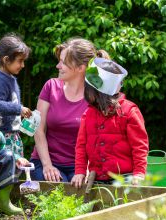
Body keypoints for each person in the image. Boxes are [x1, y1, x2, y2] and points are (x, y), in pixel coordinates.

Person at [30, 38, 110, 182]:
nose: (58, 66)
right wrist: (47, 166)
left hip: (79, 167)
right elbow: (38, 129)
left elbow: (97, 139)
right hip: (46, 162)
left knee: (77, 197)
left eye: (63, 62)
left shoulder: (95, 98)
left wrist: (86, 170)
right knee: (58, 192)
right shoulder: (51, 87)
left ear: (80, 68)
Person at [71, 58, 149, 188]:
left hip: (124, 178)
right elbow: (81, 146)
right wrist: (80, 171)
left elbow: (139, 146)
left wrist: (139, 173)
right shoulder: (88, 114)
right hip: (96, 178)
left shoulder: (129, 111)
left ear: (97, 93)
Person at [0, 34, 32, 163]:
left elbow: (11, 104)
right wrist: (19, 109)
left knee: (16, 166)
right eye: (20, 61)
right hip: (2, 135)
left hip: (12, 134)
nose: (22, 65)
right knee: (7, 167)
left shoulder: (11, 78)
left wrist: (21, 113)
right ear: (6, 60)